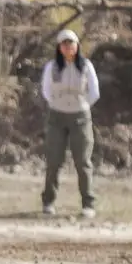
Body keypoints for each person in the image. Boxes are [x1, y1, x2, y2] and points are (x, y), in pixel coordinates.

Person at [40, 28, 101, 218]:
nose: (68, 47)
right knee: (53, 161)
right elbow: (46, 90)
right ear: (59, 47)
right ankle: (48, 201)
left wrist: (82, 106)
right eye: (64, 44)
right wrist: (56, 104)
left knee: (82, 162)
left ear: (77, 46)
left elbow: (94, 92)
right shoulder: (52, 67)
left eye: (71, 43)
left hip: (80, 118)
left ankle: (88, 204)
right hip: (57, 117)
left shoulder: (85, 66)